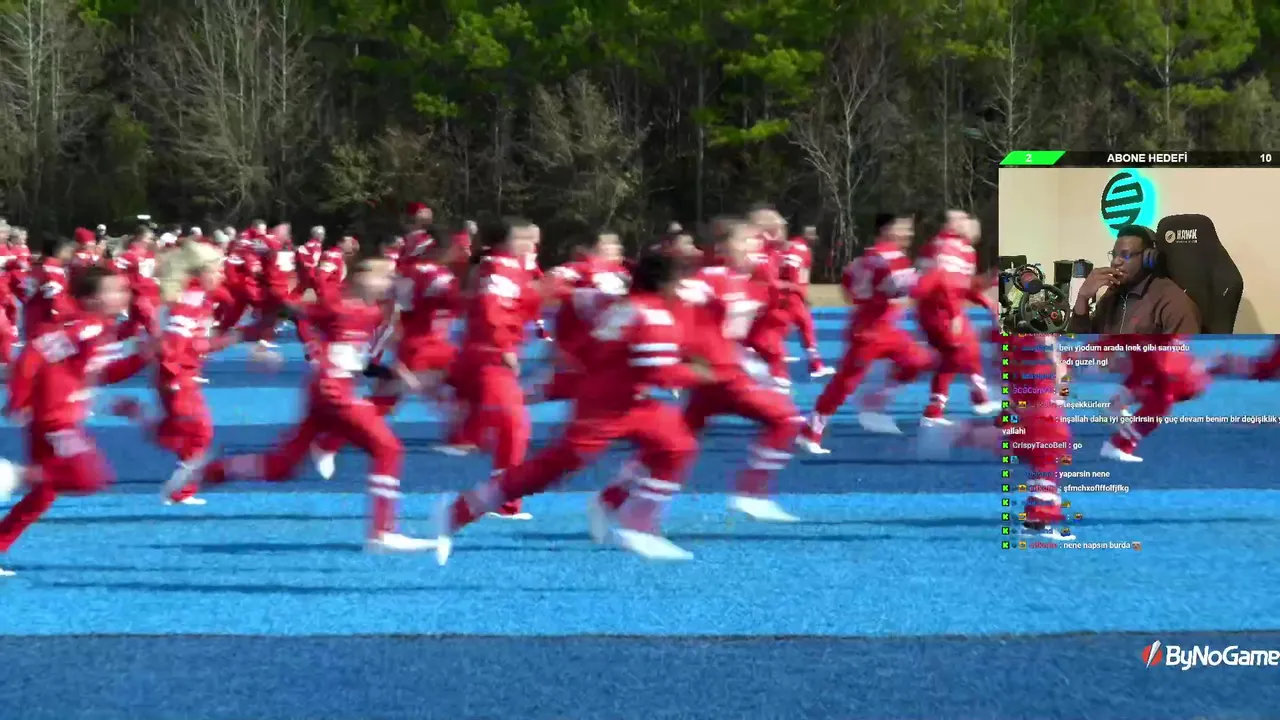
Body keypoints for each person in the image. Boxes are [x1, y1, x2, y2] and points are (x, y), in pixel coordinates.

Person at [430, 252, 710, 564]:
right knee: (548, 469)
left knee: (678, 445)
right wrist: (705, 373)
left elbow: (583, 349)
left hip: (623, 399)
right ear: (667, 283)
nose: (684, 290)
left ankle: (631, 518)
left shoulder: (627, 307)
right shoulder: (653, 316)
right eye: (681, 282)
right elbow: (662, 373)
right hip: (607, 408)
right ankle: (458, 511)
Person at [169, 257, 435, 553]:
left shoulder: (373, 314)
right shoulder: (337, 306)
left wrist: (398, 375)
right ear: (360, 278)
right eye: (383, 276)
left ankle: (206, 471)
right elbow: (286, 309)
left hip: (326, 391)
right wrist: (259, 342)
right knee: (388, 448)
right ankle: (382, 533)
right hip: (331, 391)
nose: (388, 282)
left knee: (281, 466)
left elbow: (362, 362)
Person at [0, 266, 150, 577]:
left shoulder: (100, 329)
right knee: (87, 476)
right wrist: (18, 399)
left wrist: (143, 357)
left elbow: (104, 373)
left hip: (59, 417)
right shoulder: (85, 327)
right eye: (114, 290)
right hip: (55, 420)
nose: (123, 296)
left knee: (43, 496)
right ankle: (11, 474)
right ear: (91, 298)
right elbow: (33, 353)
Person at [797, 212, 930, 451]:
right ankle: (811, 431)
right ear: (887, 230)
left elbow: (848, 289)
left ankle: (874, 398)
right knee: (845, 383)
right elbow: (903, 288)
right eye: (903, 228)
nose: (909, 233)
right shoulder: (893, 257)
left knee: (918, 360)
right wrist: (930, 278)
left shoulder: (863, 259)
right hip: (870, 333)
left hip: (877, 328)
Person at [1067, 225, 1200, 334]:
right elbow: (1076, 347)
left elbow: (1185, 356)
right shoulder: (1111, 296)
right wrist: (1082, 297)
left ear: (1149, 258)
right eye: (1114, 255)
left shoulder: (1172, 303)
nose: (1115, 262)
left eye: (1125, 255)